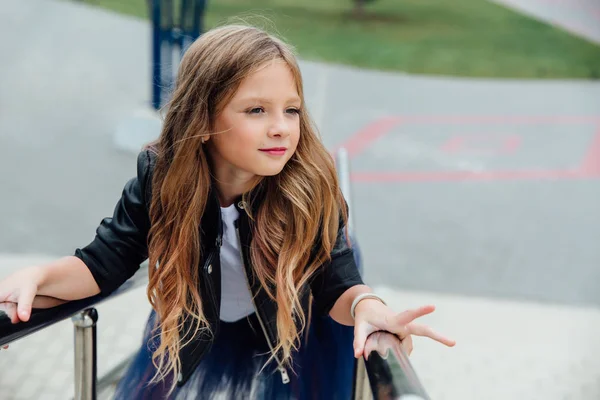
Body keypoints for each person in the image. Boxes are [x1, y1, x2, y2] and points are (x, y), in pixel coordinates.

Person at [0, 24, 455, 399]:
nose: (280, 127)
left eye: (291, 110)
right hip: (203, 309)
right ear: (203, 119)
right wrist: (38, 278)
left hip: (300, 324)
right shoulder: (163, 177)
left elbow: (335, 278)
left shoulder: (311, 184)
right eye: (256, 109)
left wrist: (367, 306)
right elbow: (104, 263)